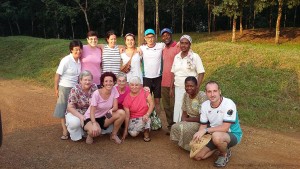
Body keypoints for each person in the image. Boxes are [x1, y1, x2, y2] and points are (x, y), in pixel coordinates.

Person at [192, 81, 243, 167]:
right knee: (197, 156)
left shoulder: (229, 104)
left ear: (220, 91)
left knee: (217, 137)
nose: (212, 94)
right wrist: (199, 137)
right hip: (214, 134)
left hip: (232, 134)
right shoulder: (204, 105)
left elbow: (225, 128)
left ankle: (224, 154)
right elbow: (203, 125)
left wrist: (205, 130)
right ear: (206, 93)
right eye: (209, 91)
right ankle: (219, 146)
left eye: (215, 91)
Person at [83, 72, 125, 144]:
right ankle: (90, 133)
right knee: (96, 132)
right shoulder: (97, 93)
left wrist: (111, 110)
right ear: (102, 82)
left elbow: (115, 107)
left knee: (121, 113)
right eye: (106, 81)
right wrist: (94, 123)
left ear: (114, 82)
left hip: (104, 117)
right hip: (91, 118)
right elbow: (92, 111)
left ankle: (113, 135)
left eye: (110, 81)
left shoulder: (114, 90)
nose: (108, 83)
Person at [170, 35, 205, 123]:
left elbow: (201, 72)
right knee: (178, 106)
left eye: (186, 43)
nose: (184, 45)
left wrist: (197, 87)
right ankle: (178, 126)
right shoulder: (177, 57)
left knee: (189, 107)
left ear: (190, 45)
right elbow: (173, 73)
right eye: (182, 43)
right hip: (178, 87)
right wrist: (171, 88)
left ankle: (188, 127)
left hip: (190, 89)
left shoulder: (195, 56)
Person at [53, 40, 83, 140]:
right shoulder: (66, 60)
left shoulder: (79, 61)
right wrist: (56, 88)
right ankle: (64, 130)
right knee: (63, 107)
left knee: (73, 107)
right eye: (76, 49)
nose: (78, 51)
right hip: (65, 87)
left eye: (80, 49)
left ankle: (72, 127)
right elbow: (58, 74)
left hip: (75, 88)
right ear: (71, 50)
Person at [170, 76, 207, 151]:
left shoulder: (202, 96)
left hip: (200, 122)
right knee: (174, 126)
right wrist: (183, 120)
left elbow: (202, 117)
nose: (189, 88)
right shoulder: (185, 95)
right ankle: (183, 142)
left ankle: (191, 147)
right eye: (187, 86)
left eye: (191, 86)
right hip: (189, 119)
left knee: (185, 128)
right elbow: (184, 111)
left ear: (196, 86)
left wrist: (186, 120)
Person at [139, 28, 164, 120]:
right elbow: (131, 48)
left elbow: (172, 45)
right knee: (147, 101)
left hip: (158, 78)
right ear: (145, 38)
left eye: (152, 36)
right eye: (148, 37)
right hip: (146, 78)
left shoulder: (161, 46)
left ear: (155, 37)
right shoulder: (142, 48)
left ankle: (158, 121)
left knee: (157, 101)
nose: (150, 39)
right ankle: (148, 121)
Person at [65, 70, 98, 141]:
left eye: (89, 80)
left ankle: (85, 130)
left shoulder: (94, 87)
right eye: (85, 80)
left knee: (98, 129)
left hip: (89, 112)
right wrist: (81, 117)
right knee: (75, 123)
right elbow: (70, 107)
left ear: (92, 80)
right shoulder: (75, 89)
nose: (87, 82)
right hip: (75, 112)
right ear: (80, 80)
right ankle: (73, 130)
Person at [160, 28, 181, 134]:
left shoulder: (177, 47)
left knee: (175, 105)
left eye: (167, 35)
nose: (166, 37)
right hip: (164, 81)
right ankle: (170, 126)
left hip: (175, 82)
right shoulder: (163, 49)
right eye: (163, 35)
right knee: (166, 106)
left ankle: (177, 127)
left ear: (171, 35)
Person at [122, 76, 154, 142]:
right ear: (129, 86)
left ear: (140, 85)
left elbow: (152, 104)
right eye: (132, 85)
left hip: (145, 116)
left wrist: (147, 114)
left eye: (136, 85)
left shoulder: (145, 92)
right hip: (133, 119)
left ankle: (146, 131)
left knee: (146, 119)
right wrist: (125, 130)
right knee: (133, 133)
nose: (134, 87)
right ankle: (144, 127)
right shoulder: (127, 98)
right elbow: (127, 116)